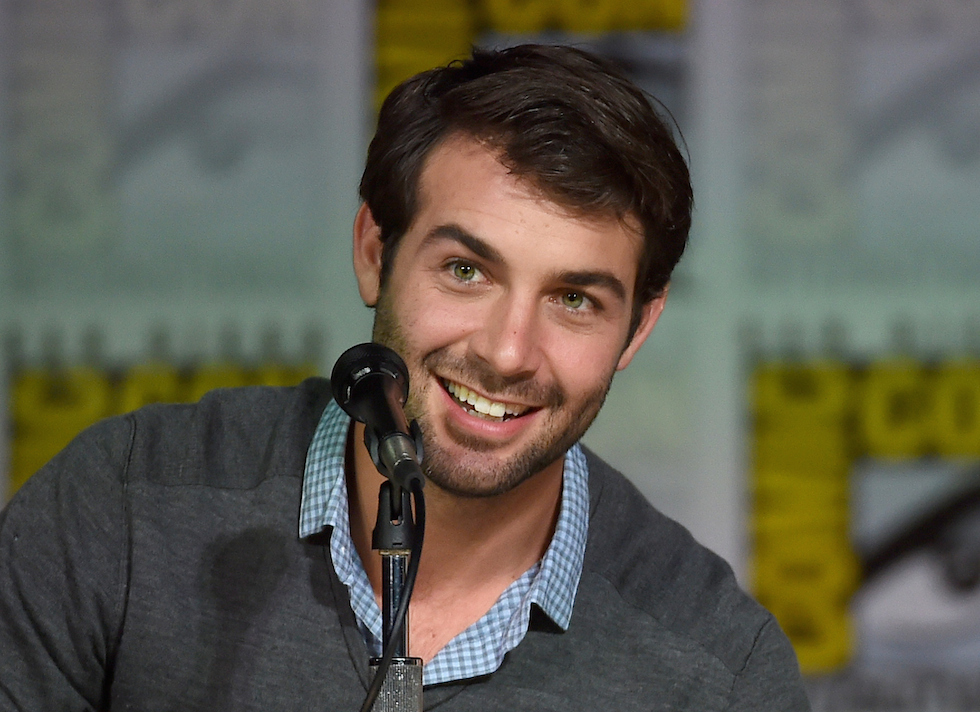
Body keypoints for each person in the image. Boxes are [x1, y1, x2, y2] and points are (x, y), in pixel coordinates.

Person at [0, 45, 810, 710]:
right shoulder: (120, 511)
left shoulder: (720, 674)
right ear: (374, 254)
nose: (507, 353)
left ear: (637, 328)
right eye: (466, 271)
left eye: (574, 300)